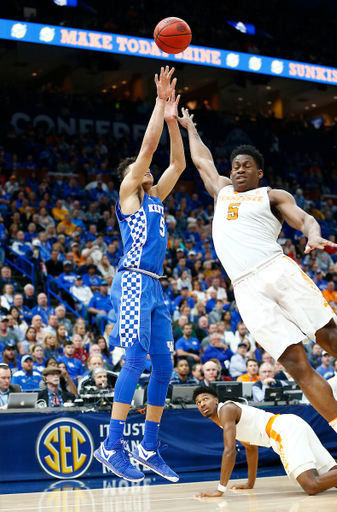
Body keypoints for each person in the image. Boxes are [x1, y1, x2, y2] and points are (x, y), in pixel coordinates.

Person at [177, 109, 337, 438]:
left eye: (246, 166)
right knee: (296, 365)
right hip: (245, 289)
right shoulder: (221, 192)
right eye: (235, 166)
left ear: (259, 173)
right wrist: (189, 127)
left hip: (275, 269)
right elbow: (202, 161)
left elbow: (305, 219)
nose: (238, 170)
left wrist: (312, 234)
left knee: (329, 339)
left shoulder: (271, 195)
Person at [94, 66, 186, 483]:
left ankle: (148, 446)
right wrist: (158, 103)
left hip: (156, 287)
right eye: (140, 167)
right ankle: (112, 446)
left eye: (146, 168)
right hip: (132, 279)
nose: (147, 168)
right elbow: (148, 149)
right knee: (134, 361)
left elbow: (179, 163)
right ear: (131, 176)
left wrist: (174, 123)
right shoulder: (130, 195)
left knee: (165, 367)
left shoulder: (156, 197)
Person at [193, 386, 337, 497]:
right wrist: (250, 483)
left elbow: (229, 451)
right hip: (292, 424)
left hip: (283, 430)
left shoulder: (226, 410)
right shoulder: (225, 420)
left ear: (216, 400)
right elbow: (251, 448)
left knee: (311, 486)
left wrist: (220, 489)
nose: (202, 404)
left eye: (205, 399)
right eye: (198, 402)